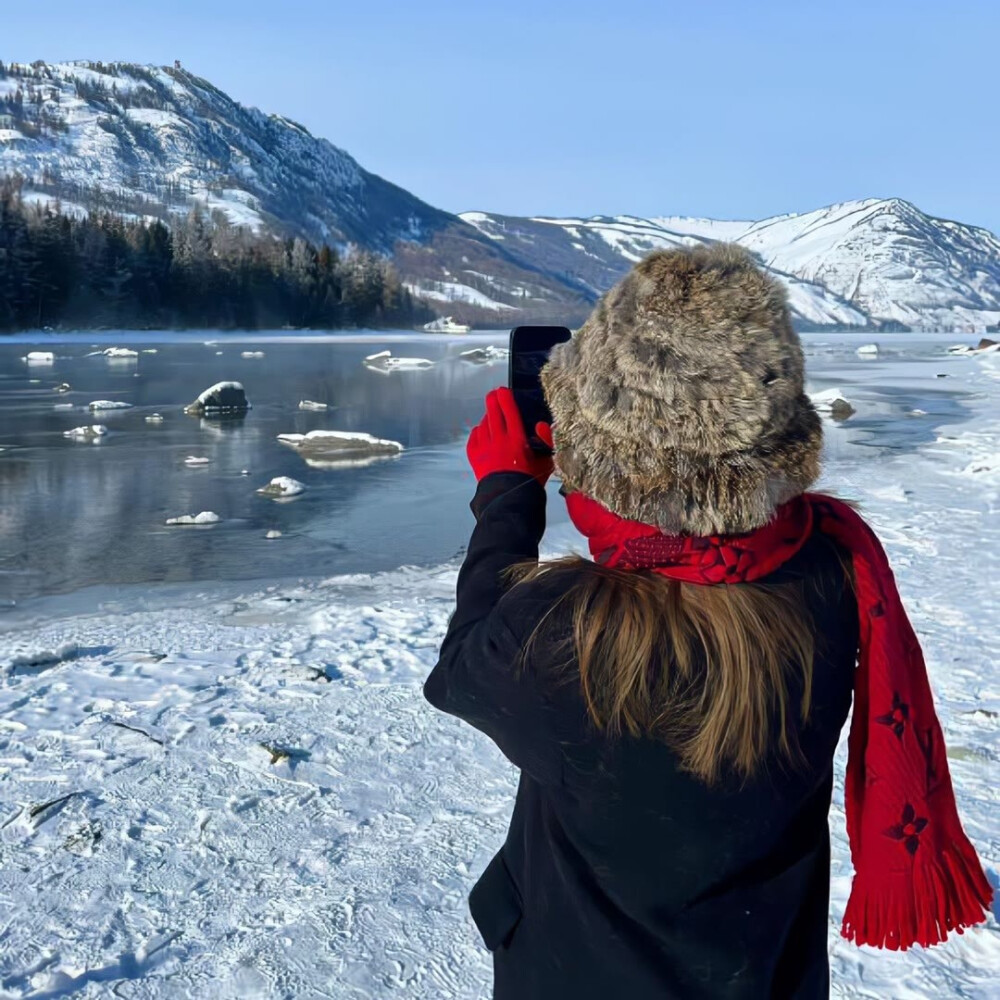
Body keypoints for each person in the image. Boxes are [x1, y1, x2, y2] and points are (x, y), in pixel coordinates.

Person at [423, 244, 992, 1000]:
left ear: (600, 453)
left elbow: (460, 670)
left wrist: (507, 493)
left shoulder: (564, 633)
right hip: (765, 972)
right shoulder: (829, 573)